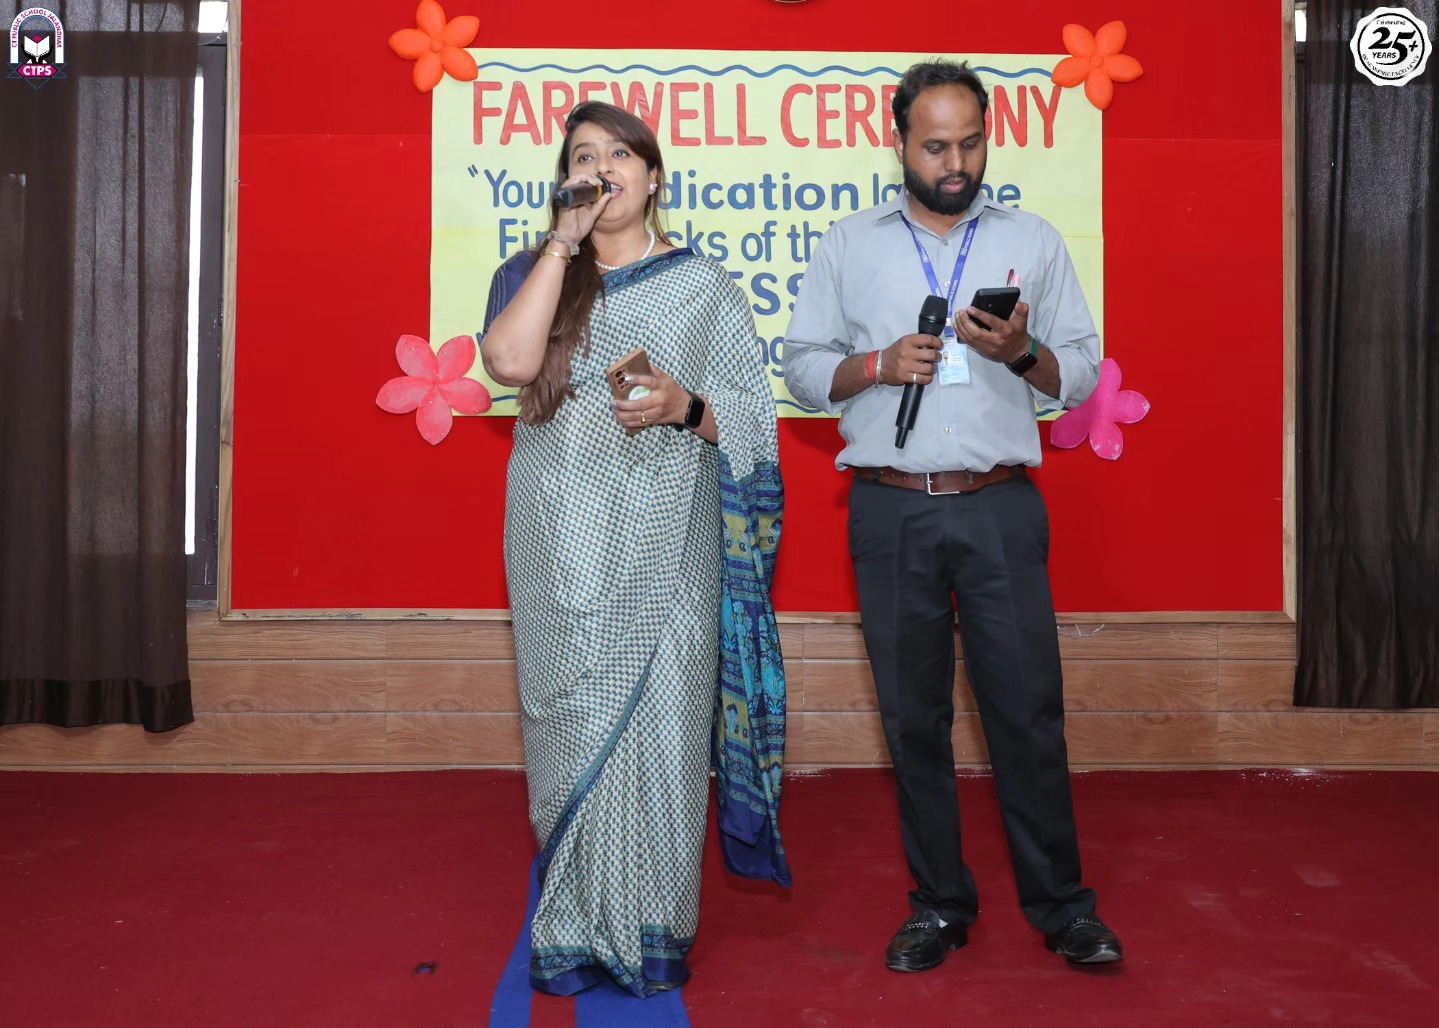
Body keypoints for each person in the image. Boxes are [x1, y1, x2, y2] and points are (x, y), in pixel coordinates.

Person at [783, 60, 1123, 971]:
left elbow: (1079, 374)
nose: (955, 163)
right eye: (934, 147)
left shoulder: (1032, 240)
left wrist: (1022, 350)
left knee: (1027, 714)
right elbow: (801, 366)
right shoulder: (848, 244)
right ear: (897, 142)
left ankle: (1062, 909)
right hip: (889, 510)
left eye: (969, 143)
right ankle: (938, 905)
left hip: (999, 507)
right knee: (913, 720)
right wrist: (876, 365)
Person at [479, 101, 791, 998]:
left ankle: (654, 928)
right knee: (571, 724)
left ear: (653, 178)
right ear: (566, 181)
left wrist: (686, 408)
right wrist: (561, 244)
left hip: (668, 540)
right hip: (556, 536)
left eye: (621, 153)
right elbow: (508, 364)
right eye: (584, 156)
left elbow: (756, 431)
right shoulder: (532, 272)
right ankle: (573, 927)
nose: (602, 167)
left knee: (664, 722)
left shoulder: (704, 288)